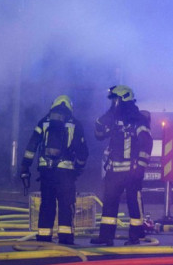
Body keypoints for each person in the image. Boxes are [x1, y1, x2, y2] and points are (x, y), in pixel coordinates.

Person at [18, 95, 89, 244]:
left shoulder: (43, 122)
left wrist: (25, 167)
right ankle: (66, 239)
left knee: (47, 205)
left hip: (46, 172)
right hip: (65, 173)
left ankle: (43, 238)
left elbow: (31, 146)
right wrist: (78, 168)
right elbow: (82, 151)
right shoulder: (75, 124)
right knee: (66, 205)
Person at [91, 84, 152, 246]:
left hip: (132, 171)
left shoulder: (138, 119)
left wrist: (140, 166)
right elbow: (99, 135)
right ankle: (106, 236)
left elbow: (146, 143)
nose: (113, 103)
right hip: (114, 171)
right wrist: (104, 118)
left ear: (123, 99)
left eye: (115, 100)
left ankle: (136, 236)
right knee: (109, 202)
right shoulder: (114, 118)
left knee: (134, 202)